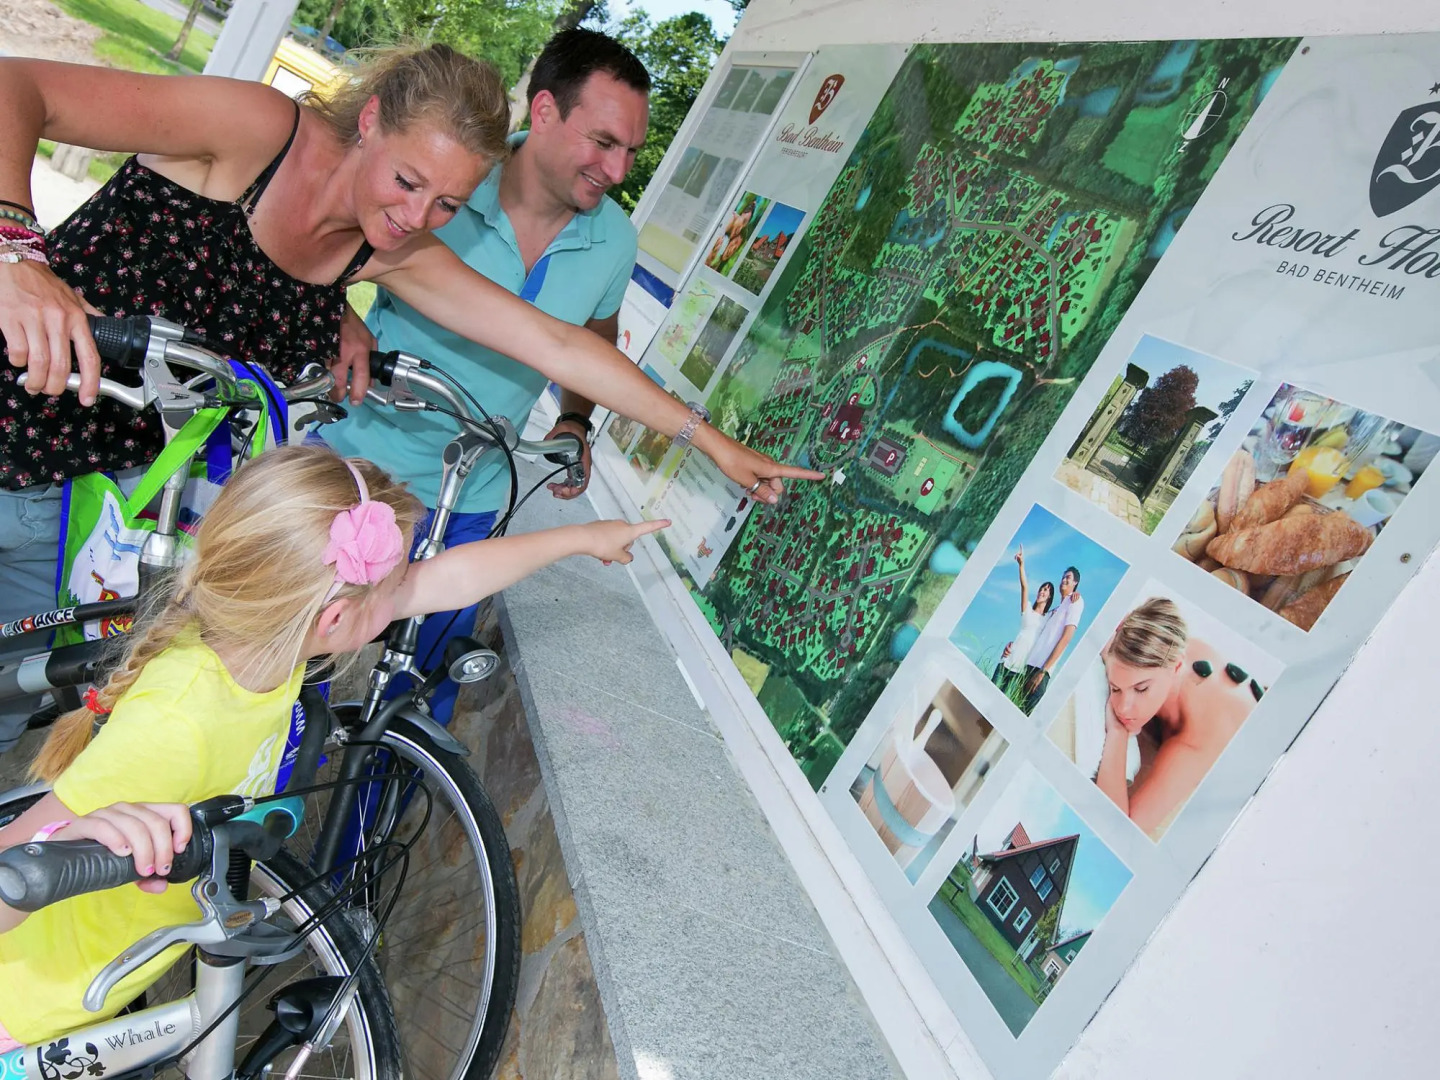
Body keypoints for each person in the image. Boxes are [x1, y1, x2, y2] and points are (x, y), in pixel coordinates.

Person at [0, 46, 818, 747]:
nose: (414, 215)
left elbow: (561, 345)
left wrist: (708, 441)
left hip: (90, 499)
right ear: (371, 121)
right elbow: (17, 87)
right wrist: (19, 254)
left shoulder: (387, 254)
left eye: (447, 205)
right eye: (407, 180)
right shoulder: (256, 133)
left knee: (17, 701)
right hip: (13, 415)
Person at [0, 443, 667, 1049]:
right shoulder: (177, 724)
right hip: (26, 1014)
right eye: (394, 584)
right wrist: (83, 828)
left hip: (98, 984)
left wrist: (583, 537)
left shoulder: (263, 646)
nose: (409, 591)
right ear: (337, 619)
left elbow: (445, 581)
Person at [325, 29, 650, 721]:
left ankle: (362, 829)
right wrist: (333, 314)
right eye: (603, 142)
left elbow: (593, 336)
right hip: (358, 463)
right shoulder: (450, 179)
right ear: (544, 111)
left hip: (474, 497)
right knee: (297, 660)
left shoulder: (613, 239)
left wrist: (575, 416)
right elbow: (325, 236)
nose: (617, 169)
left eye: (630, 151)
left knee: (414, 696)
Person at [1094, 597, 1264, 838]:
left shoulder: (1195, 741)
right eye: (1115, 688)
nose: (1122, 708)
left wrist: (1117, 733)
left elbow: (1119, 833)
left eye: (1141, 689)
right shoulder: (1162, 647)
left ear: (1176, 668)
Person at [992, 545, 1053, 696]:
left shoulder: (1048, 618)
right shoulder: (1028, 609)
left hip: (1020, 671)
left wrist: (1074, 596)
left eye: (1046, 590)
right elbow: (1024, 587)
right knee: (989, 693)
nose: (1042, 591)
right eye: (1041, 588)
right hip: (1006, 662)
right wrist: (1021, 565)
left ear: (1050, 596)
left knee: (999, 704)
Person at [1022, 565, 1082, 711]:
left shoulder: (1075, 602)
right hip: (1028, 666)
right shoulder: (1054, 611)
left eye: (1068, 577)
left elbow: (1067, 637)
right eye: (1063, 577)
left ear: (1075, 583)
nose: (1063, 580)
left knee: (1025, 713)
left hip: (1041, 671)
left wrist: (1043, 671)